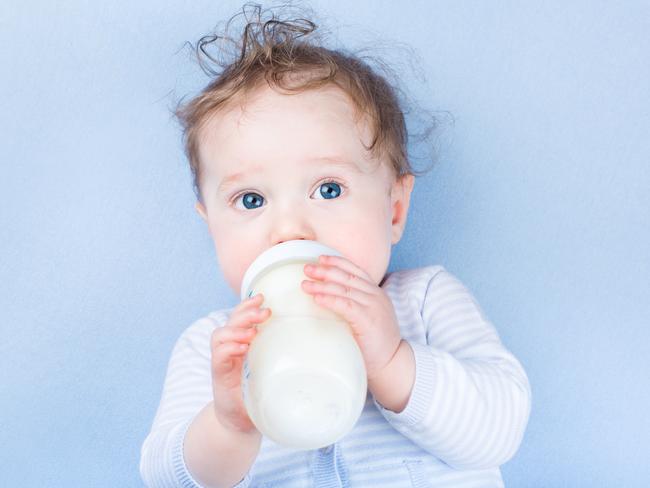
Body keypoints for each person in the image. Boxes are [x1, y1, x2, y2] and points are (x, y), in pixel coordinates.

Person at [140, 3, 531, 487]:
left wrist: (393, 363)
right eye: (251, 199)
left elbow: (499, 430)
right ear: (212, 226)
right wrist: (228, 425)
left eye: (328, 190)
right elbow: (164, 478)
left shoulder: (425, 302)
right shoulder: (216, 346)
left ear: (394, 211)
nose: (289, 231)